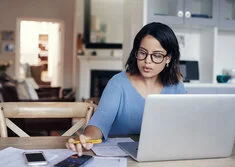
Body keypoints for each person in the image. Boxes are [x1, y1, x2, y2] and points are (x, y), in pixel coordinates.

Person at [66, 22, 186, 156]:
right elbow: (100, 122)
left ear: (168, 58)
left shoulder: (177, 87)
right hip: (119, 156)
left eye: (157, 55)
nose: (147, 61)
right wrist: (87, 138)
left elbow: (184, 127)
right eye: (143, 53)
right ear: (136, 52)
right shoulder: (118, 83)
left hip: (161, 155)